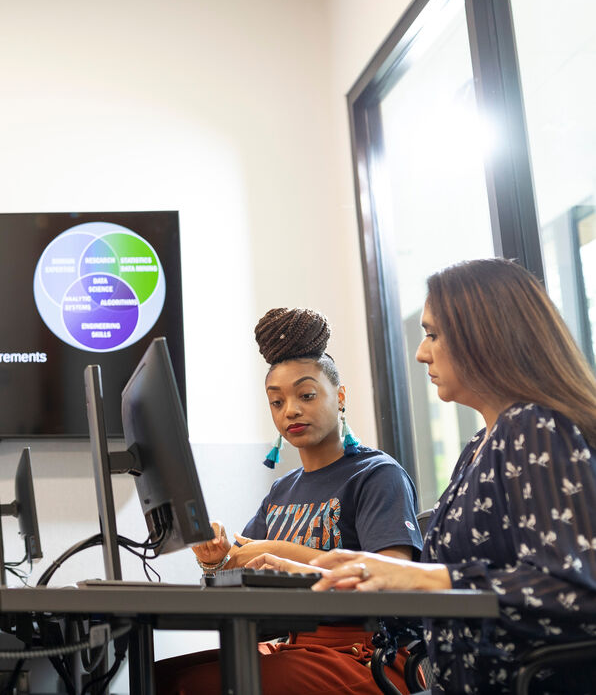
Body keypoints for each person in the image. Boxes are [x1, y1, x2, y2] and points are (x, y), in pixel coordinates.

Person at [253, 259, 596, 694]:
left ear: (486, 334)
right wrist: (347, 568)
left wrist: (421, 576)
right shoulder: (479, 445)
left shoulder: (533, 429)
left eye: (433, 333)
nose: (421, 352)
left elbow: (573, 590)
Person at [156, 306, 424, 695]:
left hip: (366, 656)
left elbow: (394, 579)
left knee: (191, 685)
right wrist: (216, 557)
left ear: (340, 396)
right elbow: (246, 577)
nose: (291, 410)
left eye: (306, 395)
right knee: (161, 677)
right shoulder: (281, 492)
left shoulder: (377, 475)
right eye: (277, 402)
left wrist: (282, 551)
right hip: (296, 645)